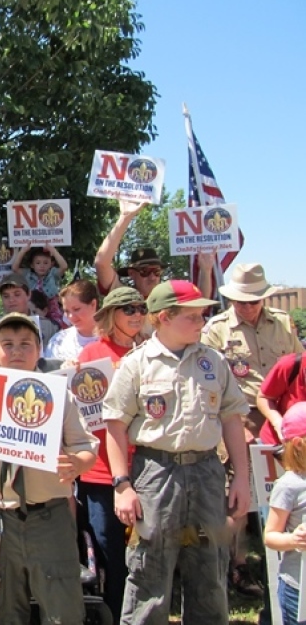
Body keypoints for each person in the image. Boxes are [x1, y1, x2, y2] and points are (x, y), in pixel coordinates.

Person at [103, 279, 250, 625]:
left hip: (207, 471)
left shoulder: (213, 361)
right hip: (156, 472)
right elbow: (115, 427)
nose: (202, 322)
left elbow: (231, 419)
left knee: (210, 567)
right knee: (150, 566)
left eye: (203, 315)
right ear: (164, 317)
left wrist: (241, 477)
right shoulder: (136, 364)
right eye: (193, 316)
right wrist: (122, 485)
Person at [0, 312, 98, 624]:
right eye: (7, 344)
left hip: (48, 516)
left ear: (39, 350)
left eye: (26, 344)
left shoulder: (58, 394)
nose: (16, 351)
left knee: (62, 606)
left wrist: (77, 463)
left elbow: (85, 448)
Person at [202, 262, 301, 596]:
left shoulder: (284, 324)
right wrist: (233, 425)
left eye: (254, 300)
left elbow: (297, 368)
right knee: (238, 498)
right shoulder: (216, 329)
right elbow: (208, 380)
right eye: (241, 300)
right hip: (238, 420)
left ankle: (288, 553)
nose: (247, 306)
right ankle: (237, 567)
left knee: (287, 491)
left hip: (284, 423)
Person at [75, 286, 148, 621]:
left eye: (141, 308)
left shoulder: (153, 352)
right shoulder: (91, 356)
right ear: (110, 315)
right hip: (102, 472)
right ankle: (116, 613)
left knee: (148, 552)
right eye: (128, 309)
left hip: (149, 468)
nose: (136, 315)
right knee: (110, 554)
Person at [263, 402, 306, 625]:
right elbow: (270, 536)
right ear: (299, 444)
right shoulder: (289, 485)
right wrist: (293, 539)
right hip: (299, 588)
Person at [11, 244, 68, 324]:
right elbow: (15, 268)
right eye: (38, 263)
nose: (42, 266)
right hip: (35, 312)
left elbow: (64, 267)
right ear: (32, 265)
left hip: (52, 313)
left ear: (51, 264)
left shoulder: (53, 274)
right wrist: (23, 251)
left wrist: (53, 250)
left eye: (46, 263)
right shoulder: (28, 274)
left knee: (53, 331)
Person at [45, 279, 100, 362]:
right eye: (66, 311)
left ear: (93, 304)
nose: (70, 316)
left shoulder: (116, 337)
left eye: (76, 309)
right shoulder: (58, 341)